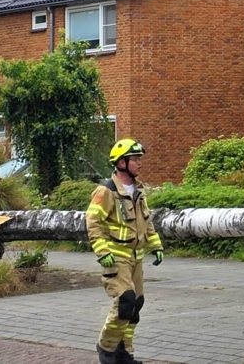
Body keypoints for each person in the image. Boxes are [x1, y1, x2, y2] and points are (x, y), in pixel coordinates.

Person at [86, 139, 164, 364]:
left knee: (135, 306)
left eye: (140, 158)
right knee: (125, 301)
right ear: (122, 163)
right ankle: (106, 348)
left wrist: (155, 245)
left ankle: (124, 353)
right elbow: (92, 222)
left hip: (136, 257)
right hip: (116, 257)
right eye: (135, 159)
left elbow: (146, 222)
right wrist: (102, 251)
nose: (140, 163)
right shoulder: (106, 191)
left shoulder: (139, 191)